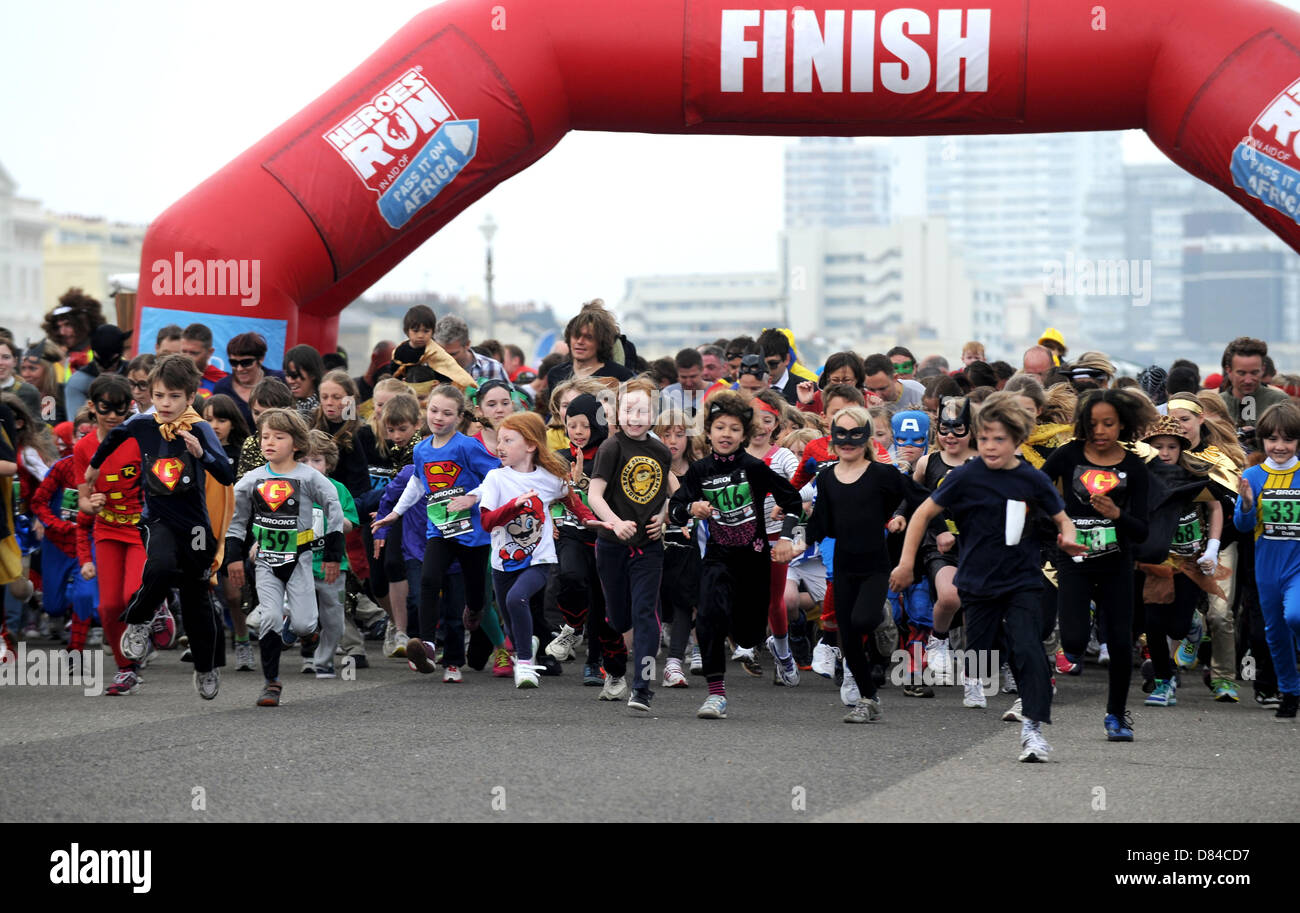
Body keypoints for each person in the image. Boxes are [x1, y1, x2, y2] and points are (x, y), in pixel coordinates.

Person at [891, 392, 1087, 761]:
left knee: (1028, 648)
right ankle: (975, 674)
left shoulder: (1032, 478)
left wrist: (1070, 538)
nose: (991, 446)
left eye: (1000, 439)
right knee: (981, 655)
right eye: (984, 439)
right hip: (977, 583)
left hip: (1022, 580)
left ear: (1017, 439)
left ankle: (1033, 731)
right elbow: (921, 515)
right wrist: (904, 564)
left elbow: (1062, 518)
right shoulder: (965, 476)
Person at [84, 354, 235, 700]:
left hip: (196, 526)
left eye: (175, 396)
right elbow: (113, 437)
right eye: (159, 395)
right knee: (161, 566)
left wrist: (203, 456)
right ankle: (138, 620)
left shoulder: (201, 429)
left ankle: (205, 668)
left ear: (191, 396)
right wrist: (94, 467)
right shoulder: (142, 424)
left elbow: (226, 475)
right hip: (158, 518)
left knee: (197, 597)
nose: (166, 403)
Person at [668, 391, 802, 719]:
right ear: (708, 432)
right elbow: (674, 510)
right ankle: (716, 694)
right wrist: (691, 507)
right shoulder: (699, 471)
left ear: (744, 435)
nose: (726, 434)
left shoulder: (754, 468)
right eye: (719, 427)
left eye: (734, 429)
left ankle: (758, 640)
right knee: (710, 618)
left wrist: (785, 538)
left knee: (749, 634)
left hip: (754, 560)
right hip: (717, 557)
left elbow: (793, 500)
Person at [1040, 388, 1154, 742]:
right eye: (1093, 424)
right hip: (1074, 560)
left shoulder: (1134, 468)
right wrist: (1059, 526)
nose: (1100, 431)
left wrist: (1117, 514)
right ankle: (1081, 620)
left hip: (1117, 565)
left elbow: (1143, 530)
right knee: (1072, 643)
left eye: (1108, 424)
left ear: (1123, 424)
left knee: (1120, 643)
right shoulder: (1068, 455)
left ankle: (1116, 716)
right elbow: (1038, 491)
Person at [461, 412, 599, 688]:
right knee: (512, 621)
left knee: (516, 600)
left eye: (508, 440)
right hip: (503, 561)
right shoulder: (495, 479)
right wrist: (513, 505)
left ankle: (524, 664)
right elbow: (487, 523)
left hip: (539, 558)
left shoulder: (549, 478)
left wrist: (591, 520)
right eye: (499, 440)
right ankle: (529, 642)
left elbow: (570, 499)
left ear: (531, 445)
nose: (500, 446)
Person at [372, 385, 501, 679]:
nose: (438, 418)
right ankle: (429, 647)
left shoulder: (466, 446)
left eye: (447, 413)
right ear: (425, 412)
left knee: (469, 598)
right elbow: (417, 484)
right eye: (433, 411)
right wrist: (394, 514)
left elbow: (496, 476)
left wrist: (472, 498)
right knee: (429, 582)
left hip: (472, 535)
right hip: (440, 529)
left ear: (459, 417)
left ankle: (467, 635)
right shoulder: (421, 448)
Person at [224, 410, 344, 706]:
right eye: (266, 436)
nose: (270, 443)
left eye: (279, 437)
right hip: (265, 560)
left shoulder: (308, 478)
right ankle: (271, 683)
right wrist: (233, 557)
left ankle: (308, 633)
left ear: (296, 444)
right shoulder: (252, 480)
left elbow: (334, 509)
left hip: (300, 560)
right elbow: (235, 520)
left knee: (303, 625)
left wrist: (332, 554)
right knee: (271, 619)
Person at [585, 378, 674, 710]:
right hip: (611, 545)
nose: (635, 417)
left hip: (648, 548)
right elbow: (594, 495)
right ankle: (615, 663)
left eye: (643, 411)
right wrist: (615, 522)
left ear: (654, 414)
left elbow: (672, 493)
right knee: (620, 619)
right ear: (617, 412)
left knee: (646, 616)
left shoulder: (660, 451)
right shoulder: (613, 447)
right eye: (629, 409)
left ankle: (643, 687)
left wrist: (664, 515)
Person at [544, 392, 630, 687]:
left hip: (602, 539)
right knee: (569, 576)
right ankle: (572, 626)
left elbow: (610, 501)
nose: (578, 432)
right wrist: (552, 519)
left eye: (585, 425)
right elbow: (549, 495)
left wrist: (581, 481)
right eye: (572, 424)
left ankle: (595, 663)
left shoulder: (610, 457)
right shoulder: (558, 458)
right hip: (570, 534)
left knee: (601, 604)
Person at [1138, 416, 1224, 709]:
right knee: (1153, 623)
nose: (1164, 452)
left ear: (1181, 449)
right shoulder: (1144, 479)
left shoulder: (1191, 479)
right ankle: (1165, 681)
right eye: (1158, 446)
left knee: (1177, 627)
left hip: (1189, 563)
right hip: (1158, 564)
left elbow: (1215, 507)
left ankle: (1192, 625)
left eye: (1171, 447)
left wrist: (1212, 548)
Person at [73, 374, 144, 696]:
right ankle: (126, 668)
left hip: (140, 529)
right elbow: (83, 501)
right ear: (91, 406)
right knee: (108, 606)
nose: (113, 416)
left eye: (121, 409)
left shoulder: (138, 438)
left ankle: (157, 608)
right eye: (106, 408)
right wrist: (92, 503)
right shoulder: (84, 447)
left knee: (133, 595)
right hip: (107, 530)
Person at [1233, 401, 1300, 720]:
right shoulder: (1252, 475)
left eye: (1288, 439)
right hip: (1267, 566)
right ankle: (1290, 691)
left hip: (1297, 565)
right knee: (1274, 632)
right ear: (1262, 440)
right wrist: (1246, 503)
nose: (1280, 446)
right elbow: (1242, 526)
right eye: (1273, 439)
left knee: (1296, 617)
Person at [302, 430, 358, 680]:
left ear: (329, 463)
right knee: (298, 614)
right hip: (299, 563)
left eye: (316, 460)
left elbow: (351, 522)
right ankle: (295, 633)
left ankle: (323, 661)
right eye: (303, 461)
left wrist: (333, 518)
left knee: (334, 617)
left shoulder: (337, 490)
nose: (310, 467)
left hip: (332, 564)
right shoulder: (289, 488)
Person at [1218, 336, 1289, 455]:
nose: (1248, 380)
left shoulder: (1280, 402)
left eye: (1254, 373)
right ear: (1228, 370)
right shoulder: (1217, 404)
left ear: (1263, 369)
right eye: (1241, 373)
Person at [546, 301, 636, 390]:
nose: (580, 341)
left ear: (601, 341)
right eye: (576, 336)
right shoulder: (556, 373)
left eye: (588, 337)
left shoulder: (621, 376)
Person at [210, 332, 286, 428]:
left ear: (261, 358)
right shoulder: (222, 388)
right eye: (233, 363)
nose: (239, 368)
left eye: (246, 362)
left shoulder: (280, 380)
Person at [64, 324, 131, 422]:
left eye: (112, 360)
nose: (105, 367)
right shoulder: (79, 381)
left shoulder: (134, 375)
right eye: (100, 360)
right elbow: (77, 423)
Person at [43, 290, 104, 377]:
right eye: (58, 327)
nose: (62, 332)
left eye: (67, 325)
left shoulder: (102, 354)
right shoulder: (57, 359)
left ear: (84, 323)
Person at [434, 314, 509, 382]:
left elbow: (511, 396)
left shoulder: (493, 368)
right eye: (442, 353)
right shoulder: (431, 369)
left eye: (453, 354)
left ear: (467, 344)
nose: (448, 359)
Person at [19, 339, 66, 425]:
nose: (26, 374)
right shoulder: (19, 396)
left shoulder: (65, 393)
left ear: (48, 371)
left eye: (32, 368)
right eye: (23, 368)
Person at [0, 337, 41, 421]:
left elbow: (37, 428)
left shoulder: (28, 392)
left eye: (6, 357)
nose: (0, 362)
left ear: (15, 361)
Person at [181, 324, 229, 395]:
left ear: (210, 352)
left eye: (194, 353)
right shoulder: (169, 378)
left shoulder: (224, 383)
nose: (187, 358)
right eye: (184, 352)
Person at [284, 345, 325, 417]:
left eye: (295, 375)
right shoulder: (283, 407)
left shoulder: (327, 409)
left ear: (312, 374)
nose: (290, 381)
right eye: (287, 375)